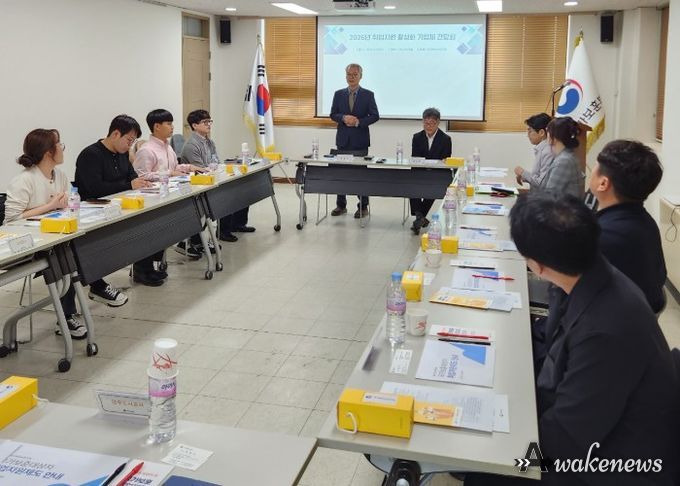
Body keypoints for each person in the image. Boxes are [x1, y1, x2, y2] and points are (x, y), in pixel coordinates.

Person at [465, 193, 679, 486]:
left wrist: (504, 450)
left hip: (615, 462)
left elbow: (565, 438)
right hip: (592, 425)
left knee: (485, 470)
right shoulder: (588, 275)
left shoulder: (606, 330)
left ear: (537, 266)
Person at [5, 129, 87, 339]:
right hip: (29, 243)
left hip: (53, 236)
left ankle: (81, 300)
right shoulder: (25, 180)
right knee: (66, 254)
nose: (62, 148)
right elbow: (12, 220)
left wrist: (63, 205)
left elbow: (68, 204)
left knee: (78, 247)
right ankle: (66, 316)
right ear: (48, 152)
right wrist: (49, 206)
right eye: (60, 144)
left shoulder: (59, 175)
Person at [74, 114, 153, 299]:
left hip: (120, 206)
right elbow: (96, 189)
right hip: (93, 210)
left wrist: (138, 182)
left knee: (150, 221)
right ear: (115, 134)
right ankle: (97, 284)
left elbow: (131, 175)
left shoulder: (123, 153)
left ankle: (145, 267)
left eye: (133, 141)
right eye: (129, 140)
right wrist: (129, 185)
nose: (130, 145)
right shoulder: (91, 154)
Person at [589, 139, 667, 313]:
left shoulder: (602, 236)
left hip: (609, 321)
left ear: (603, 183)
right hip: (636, 317)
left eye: (595, 166)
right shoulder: (646, 222)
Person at [132, 109, 206, 281]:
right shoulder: (146, 150)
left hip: (168, 195)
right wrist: (168, 174)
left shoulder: (168, 147)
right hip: (151, 199)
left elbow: (174, 168)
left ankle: (156, 263)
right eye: (168, 123)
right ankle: (142, 269)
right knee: (154, 230)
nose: (172, 127)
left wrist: (188, 167)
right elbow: (141, 176)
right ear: (157, 126)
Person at [180, 109, 252, 243]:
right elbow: (200, 170)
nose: (209, 124)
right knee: (227, 193)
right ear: (194, 125)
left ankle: (237, 224)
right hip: (199, 183)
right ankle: (223, 231)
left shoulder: (209, 142)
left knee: (241, 188)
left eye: (209, 121)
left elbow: (216, 162)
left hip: (212, 177)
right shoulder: (191, 145)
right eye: (205, 122)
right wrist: (215, 170)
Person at [329, 63, 379, 219]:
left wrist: (358, 122)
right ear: (346, 76)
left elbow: (375, 115)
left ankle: (363, 206)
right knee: (340, 173)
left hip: (360, 141)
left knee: (360, 175)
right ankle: (341, 205)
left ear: (360, 76)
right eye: (349, 75)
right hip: (343, 140)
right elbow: (333, 114)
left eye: (354, 75)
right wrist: (343, 118)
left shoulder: (368, 95)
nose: (351, 77)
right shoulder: (338, 94)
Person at [409, 107, 452, 234]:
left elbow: (445, 159)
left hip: (437, 173)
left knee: (433, 187)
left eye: (432, 123)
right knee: (411, 183)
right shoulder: (417, 137)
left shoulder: (445, 139)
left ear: (438, 123)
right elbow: (415, 157)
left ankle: (419, 217)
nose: (428, 126)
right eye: (426, 123)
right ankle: (420, 218)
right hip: (421, 171)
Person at [540, 116, 584, 199]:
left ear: (553, 137)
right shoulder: (565, 157)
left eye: (548, 131)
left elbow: (548, 196)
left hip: (562, 207)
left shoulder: (564, 161)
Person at [514, 113, 554, 188]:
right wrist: (524, 176)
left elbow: (542, 184)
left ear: (541, 133)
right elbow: (537, 177)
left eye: (530, 131)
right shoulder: (542, 149)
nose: (527, 135)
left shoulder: (548, 152)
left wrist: (523, 172)